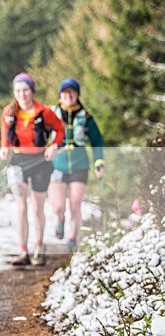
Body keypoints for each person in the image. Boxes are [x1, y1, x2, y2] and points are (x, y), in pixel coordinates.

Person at [0, 73, 65, 266]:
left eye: (25, 90)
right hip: (18, 159)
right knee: (21, 206)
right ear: (14, 92)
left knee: (37, 207)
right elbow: (5, 131)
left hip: (40, 161)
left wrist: (54, 146)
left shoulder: (44, 112)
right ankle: (22, 251)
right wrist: (4, 147)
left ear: (32, 91)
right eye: (18, 90)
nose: (22, 94)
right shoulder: (8, 112)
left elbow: (60, 129)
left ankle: (39, 247)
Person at [48, 78, 105, 253]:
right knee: (57, 205)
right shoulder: (51, 113)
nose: (68, 95)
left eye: (72, 92)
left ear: (77, 94)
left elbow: (97, 140)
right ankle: (60, 218)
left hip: (80, 165)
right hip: (57, 164)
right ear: (60, 94)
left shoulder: (86, 117)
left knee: (75, 203)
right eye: (65, 92)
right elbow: (41, 134)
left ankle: (72, 238)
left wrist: (99, 162)